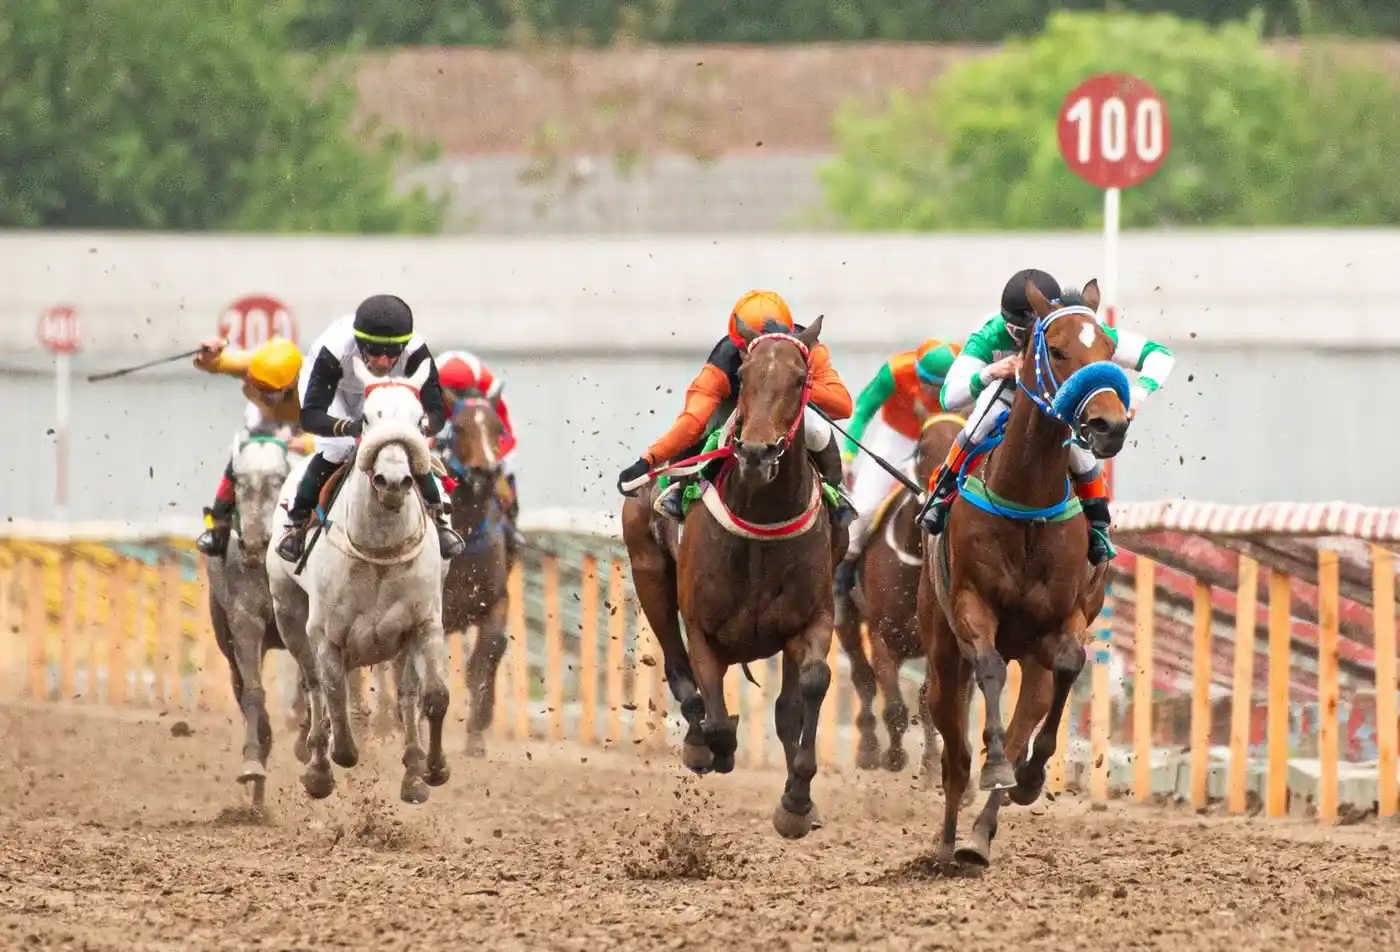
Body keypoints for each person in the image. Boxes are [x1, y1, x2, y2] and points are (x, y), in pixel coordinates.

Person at [917, 268, 1175, 565]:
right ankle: (943, 493)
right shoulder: (989, 334)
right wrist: (989, 373)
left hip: (1056, 403)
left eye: (1034, 329)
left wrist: (1138, 393)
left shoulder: (1076, 328)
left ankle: (1099, 525)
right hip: (1009, 394)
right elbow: (949, 397)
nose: (1024, 340)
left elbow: (1159, 354)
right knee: (979, 424)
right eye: (1016, 332)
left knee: (1081, 454)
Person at [616, 289, 856, 525]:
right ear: (739, 345)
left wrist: (790, 382)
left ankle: (837, 489)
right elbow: (692, 420)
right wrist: (647, 460)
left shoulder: (810, 349)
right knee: (704, 428)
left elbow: (843, 405)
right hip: (737, 403)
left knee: (817, 430)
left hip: (786, 401)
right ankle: (681, 488)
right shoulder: (721, 365)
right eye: (750, 350)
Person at [273, 294, 466, 563]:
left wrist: (417, 428)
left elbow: (437, 412)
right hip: (336, 390)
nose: (384, 362)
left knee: (410, 444)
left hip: (384, 391)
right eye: (374, 351)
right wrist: (354, 427)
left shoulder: (415, 352)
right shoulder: (334, 349)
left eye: (391, 353)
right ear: (360, 344)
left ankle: (439, 519)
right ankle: (296, 524)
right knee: (337, 449)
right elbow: (312, 418)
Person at [833, 337, 961, 596]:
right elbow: (862, 410)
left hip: (942, 437)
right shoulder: (895, 371)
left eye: (940, 388)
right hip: (898, 438)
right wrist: (848, 456)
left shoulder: (964, 366)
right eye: (928, 385)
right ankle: (844, 574)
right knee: (864, 507)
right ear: (916, 372)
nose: (932, 395)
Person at [191, 336, 314, 557]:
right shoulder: (250, 363)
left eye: (270, 391)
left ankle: (307, 526)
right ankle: (218, 525)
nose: (263, 395)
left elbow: (333, 428)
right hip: (262, 421)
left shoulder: (314, 384)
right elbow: (205, 363)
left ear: (292, 383)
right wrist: (208, 353)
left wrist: (306, 443)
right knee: (241, 457)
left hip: (305, 424)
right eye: (257, 386)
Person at [434, 349, 526, 554]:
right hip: (446, 426)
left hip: (482, 429)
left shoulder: (490, 389)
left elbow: (508, 439)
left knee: (504, 469)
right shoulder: (424, 391)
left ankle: (510, 525)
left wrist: (489, 457)